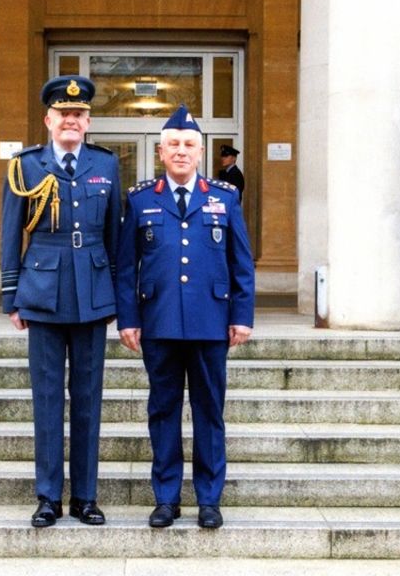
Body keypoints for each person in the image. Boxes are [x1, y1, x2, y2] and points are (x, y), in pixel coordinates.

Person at [115, 104, 256, 530]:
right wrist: (128, 319)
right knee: (163, 410)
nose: (181, 151)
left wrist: (242, 315)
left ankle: (209, 499)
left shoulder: (224, 197)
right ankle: (167, 497)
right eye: (173, 144)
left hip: (212, 322)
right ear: (161, 152)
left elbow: (241, 264)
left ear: (201, 152)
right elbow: (126, 266)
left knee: (210, 411)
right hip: (158, 323)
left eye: (189, 145)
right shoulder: (141, 199)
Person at [0, 75, 121, 528]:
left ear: (88, 122)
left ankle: (85, 497)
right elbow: (11, 233)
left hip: (91, 293)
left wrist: (115, 298)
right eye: (63, 114)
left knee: (88, 399)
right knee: (47, 398)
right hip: (43, 292)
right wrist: (12, 297)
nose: (71, 120)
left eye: (79, 114)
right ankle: (49, 496)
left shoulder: (106, 165)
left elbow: (113, 237)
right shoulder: (25, 165)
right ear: (48, 119)